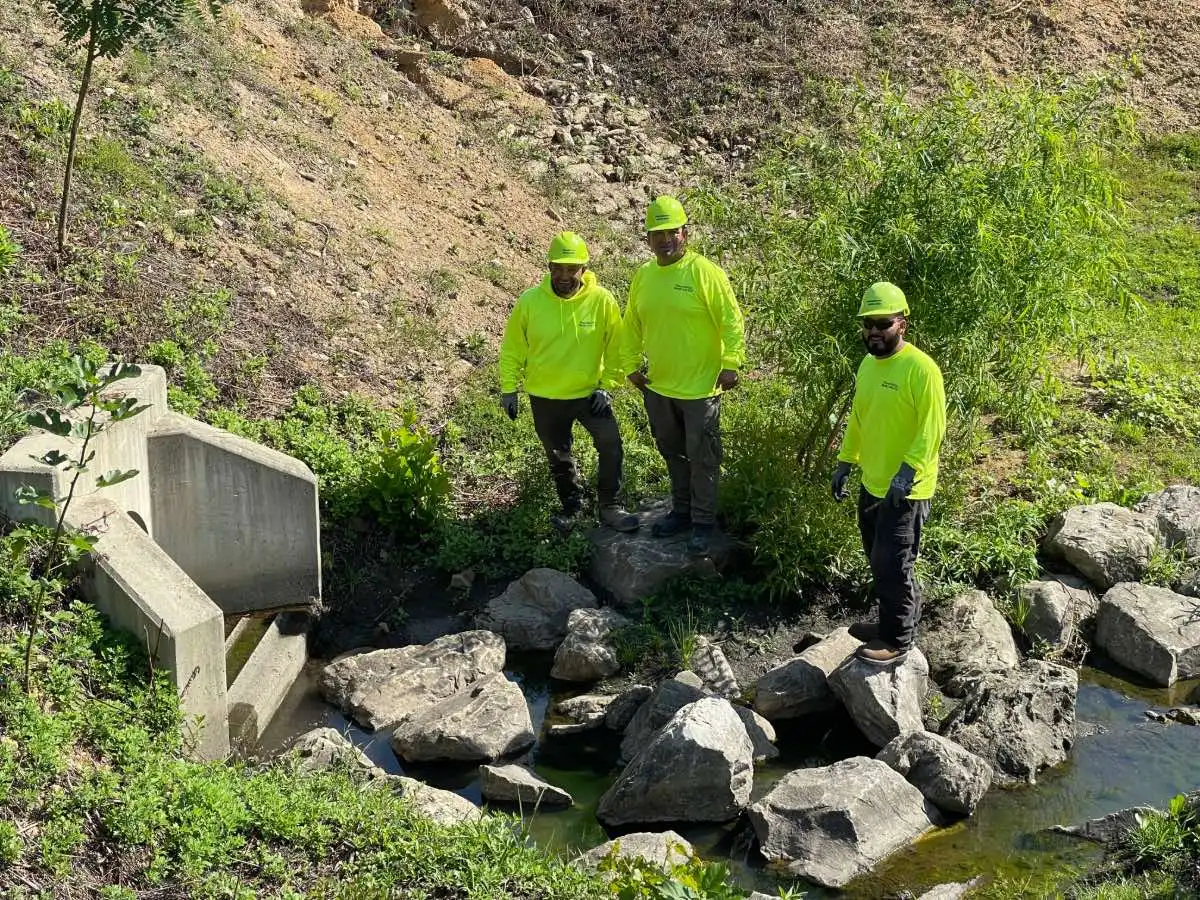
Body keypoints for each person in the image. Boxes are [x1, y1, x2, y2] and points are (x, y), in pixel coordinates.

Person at [622, 195, 745, 556]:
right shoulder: (644, 277)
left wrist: (732, 362)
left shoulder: (704, 273)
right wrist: (629, 366)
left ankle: (703, 524)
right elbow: (632, 324)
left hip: (701, 388)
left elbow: (731, 320)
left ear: (685, 233)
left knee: (703, 458)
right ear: (647, 239)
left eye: (671, 232)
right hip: (659, 386)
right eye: (657, 233)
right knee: (672, 453)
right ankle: (681, 512)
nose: (664, 240)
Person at [831, 282, 946, 665]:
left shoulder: (921, 369)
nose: (874, 331)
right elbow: (859, 419)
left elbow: (932, 429)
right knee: (876, 558)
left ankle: (898, 640)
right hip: (873, 481)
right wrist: (845, 462)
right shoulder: (868, 365)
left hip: (906, 489)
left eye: (882, 323)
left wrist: (907, 472)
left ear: (902, 325)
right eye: (868, 324)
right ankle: (887, 623)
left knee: (894, 562)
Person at [499, 231, 639, 533]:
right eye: (558, 267)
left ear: (584, 270)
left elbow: (617, 346)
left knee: (610, 444)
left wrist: (608, 385)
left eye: (571, 268)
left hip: (590, 395)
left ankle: (611, 506)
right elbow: (513, 348)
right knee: (559, 456)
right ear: (549, 267)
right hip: (545, 396)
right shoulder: (530, 302)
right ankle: (573, 508)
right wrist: (509, 388)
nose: (564, 275)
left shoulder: (602, 301)